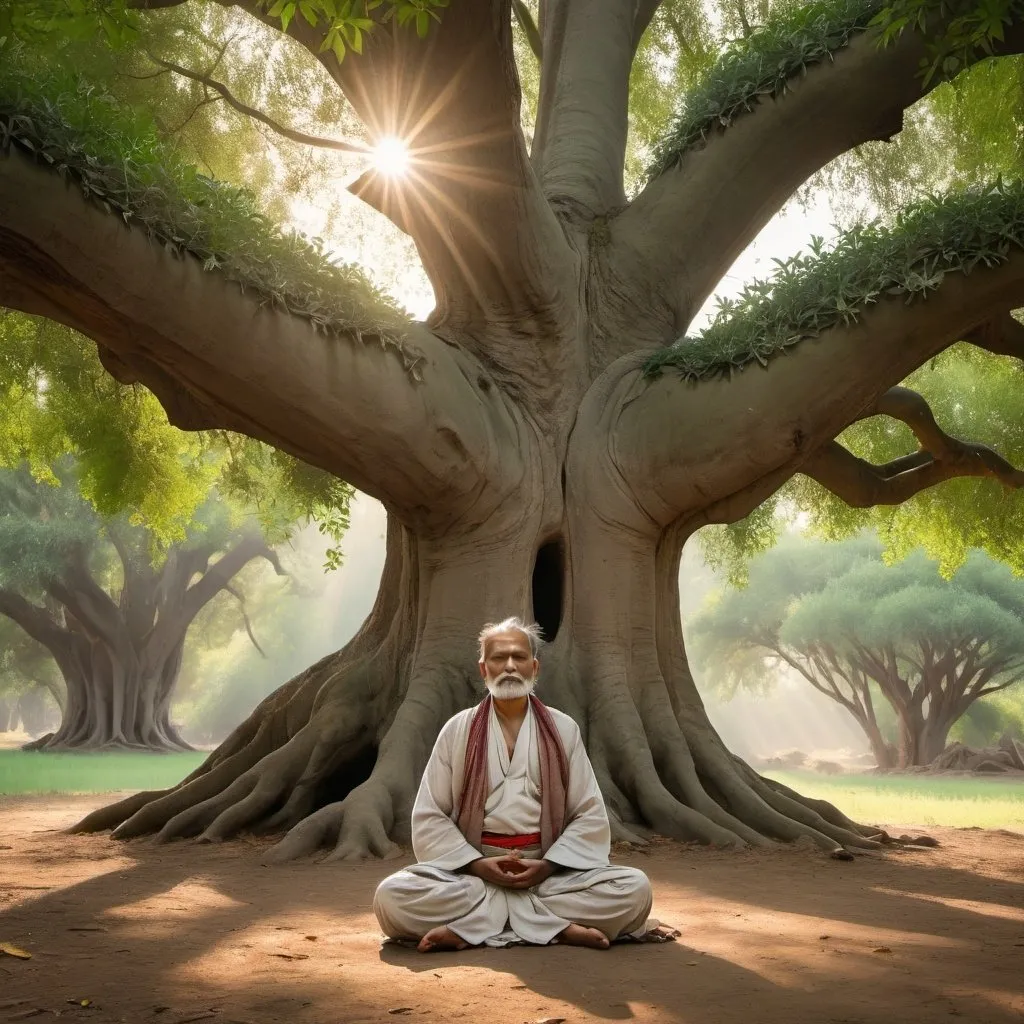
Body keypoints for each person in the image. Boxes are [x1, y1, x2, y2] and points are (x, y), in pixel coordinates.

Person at [373, 617, 674, 952]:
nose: (510, 666)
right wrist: (477, 865)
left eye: (519, 657)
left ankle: (473, 927)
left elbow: (588, 814)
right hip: (473, 875)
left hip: (547, 875)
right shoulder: (457, 730)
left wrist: (546, 866)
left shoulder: (564, 729)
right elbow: (430, 815)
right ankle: (557, 928)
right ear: (483, 669)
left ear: (535, 668)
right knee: (390, 897)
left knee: (635, 889)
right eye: (499, 658)